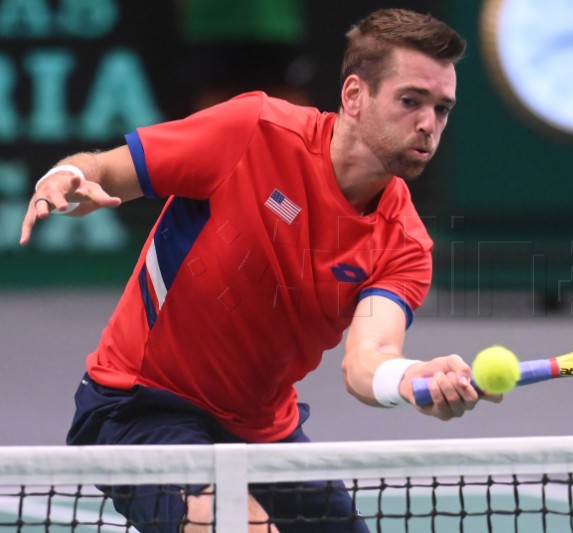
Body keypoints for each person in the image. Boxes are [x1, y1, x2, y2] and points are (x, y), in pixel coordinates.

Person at [19, 8, 499, 533]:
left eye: (442, 108)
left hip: (261, 431)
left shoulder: (403, 243)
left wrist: (409, 377)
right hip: (140, 404)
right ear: (355, 95)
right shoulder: (252, 131)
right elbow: (109, 170)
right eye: (411, 101)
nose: (429, 124)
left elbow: (368, 359)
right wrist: (68, 176)